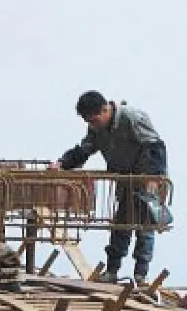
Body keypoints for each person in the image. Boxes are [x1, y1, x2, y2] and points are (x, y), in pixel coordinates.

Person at [51, 90, 168, 283]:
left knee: (144, 227)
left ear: (105, 110)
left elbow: (155, 147)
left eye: (94, 120)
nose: (92, 125)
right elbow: (84, 150)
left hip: (147, 180)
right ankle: (112, 271)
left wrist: (153, 178)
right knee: (120, 225)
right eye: (89, 122)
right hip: (125, 181)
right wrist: (62, 163)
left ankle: (141, 275)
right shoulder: (96, 128)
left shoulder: (132, 118)